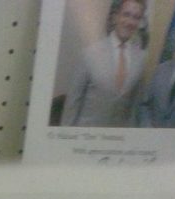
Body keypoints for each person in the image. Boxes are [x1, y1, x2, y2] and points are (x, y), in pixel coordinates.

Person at [61, 0, 147, 128]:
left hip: (120, 136)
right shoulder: (90, 54)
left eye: (136, 17)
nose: (130, 22)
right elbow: (73, 103)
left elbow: (135, 105)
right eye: (126, 14)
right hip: (87, 135)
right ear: (115, 17)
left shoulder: (141, 57)